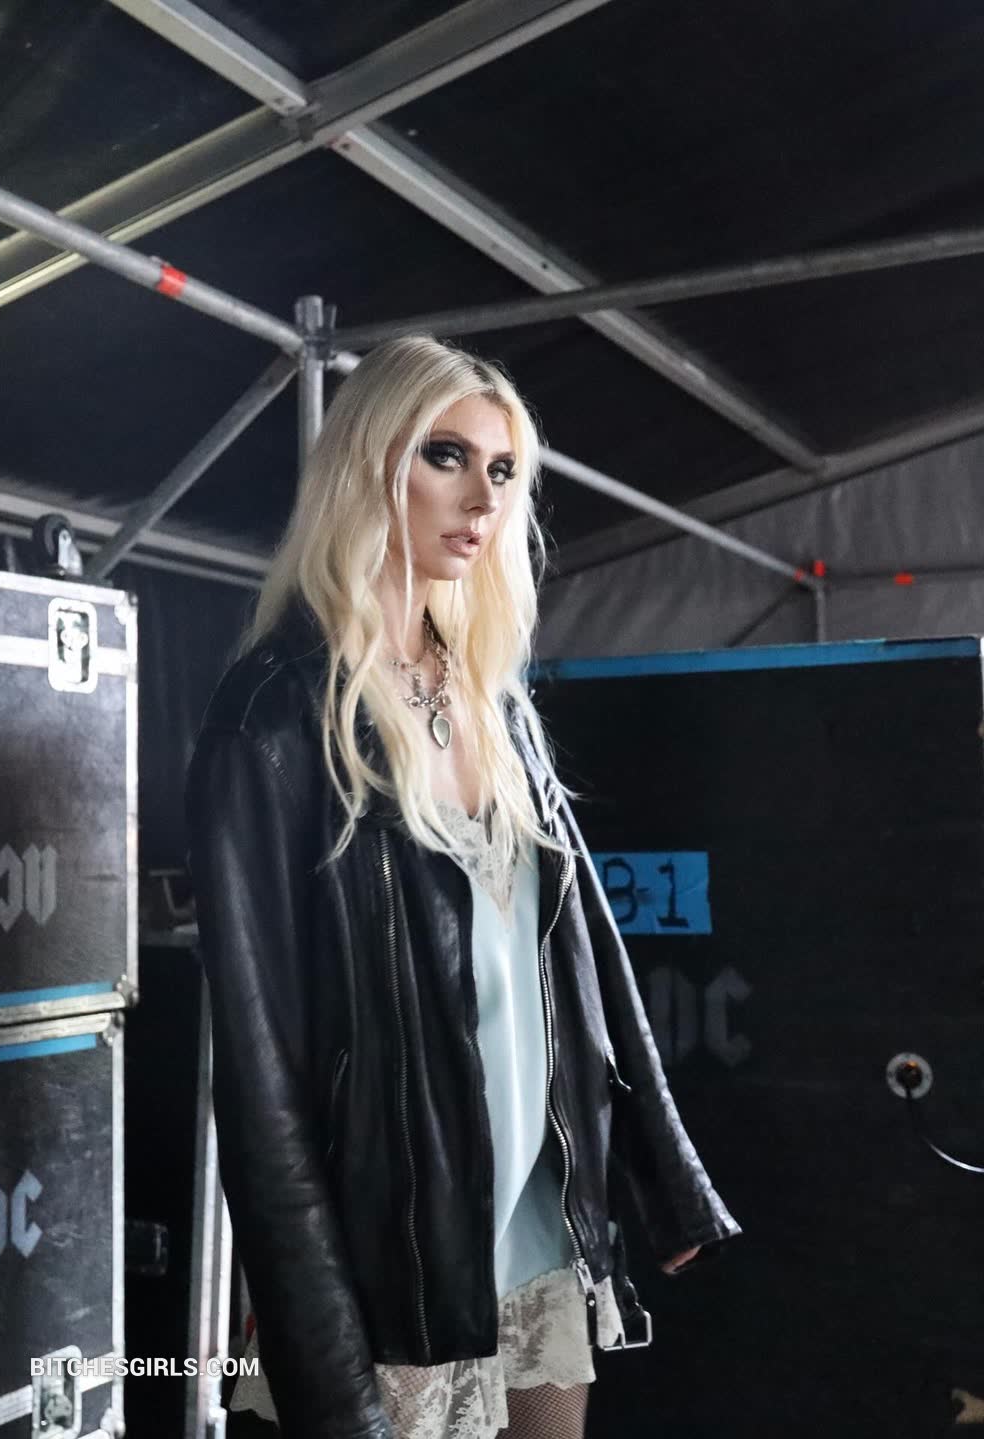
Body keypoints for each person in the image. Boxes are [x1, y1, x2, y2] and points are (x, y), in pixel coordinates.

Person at [184, 336, 742, 1439]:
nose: (483, 498)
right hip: (397, 1263)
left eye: (502, 470)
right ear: (368, 462)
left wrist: (660, 1165)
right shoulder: (273, 716)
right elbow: (259, 1075)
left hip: (539, 1231)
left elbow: (582, 952)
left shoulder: (491, 693)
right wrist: (314, 1334)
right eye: (447, 455)